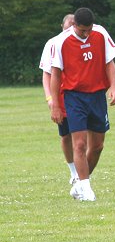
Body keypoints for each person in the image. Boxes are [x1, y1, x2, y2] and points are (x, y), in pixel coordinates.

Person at [50, 7, 115, 201]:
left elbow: (110, 62)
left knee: (97, 146)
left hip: (97, 96)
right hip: (74, 97)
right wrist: (55, 105)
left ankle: (80, 184)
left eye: (89, 29)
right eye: (82, 31)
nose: (87, 34)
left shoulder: (100, 33)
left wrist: (113, 87)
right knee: (79, 144)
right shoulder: (61, 41)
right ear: (74, 26)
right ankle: (87, 190)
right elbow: (55, 75)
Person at [39, 14, 78, 185]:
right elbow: (47, 75)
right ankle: (73, 172)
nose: (70, 29)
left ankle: (83, 171)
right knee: (66, 136)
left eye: (73, 26)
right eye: (67, 26)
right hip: (61, 99)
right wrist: (50, 99)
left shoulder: (83, 42)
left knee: (83, 135)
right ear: (61, 25)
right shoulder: (53, 43)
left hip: (80, 97)